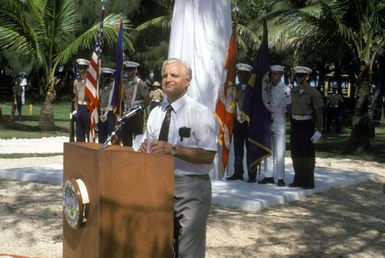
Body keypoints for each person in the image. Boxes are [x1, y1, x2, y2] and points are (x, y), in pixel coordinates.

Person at [139, 58, 217, 258]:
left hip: (191, 188)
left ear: (188, 81)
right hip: (158, 186)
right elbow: (152, 147)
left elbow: (208, 155)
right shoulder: (156, 113)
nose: (168, 79)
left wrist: (173, 149)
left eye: (174, 75)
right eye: (165, 75)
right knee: (160, 246)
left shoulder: (200, 113)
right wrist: (145, 150)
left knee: (188, 251)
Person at [289, 66, 324, 189]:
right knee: (295, 152)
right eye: (297, 76)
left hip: (306, 125)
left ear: (307, 77)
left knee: (307, 153)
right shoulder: (293, 91)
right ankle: (298, 178)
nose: (298, 78)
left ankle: (308, 181)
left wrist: (319, 130)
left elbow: (319, 112)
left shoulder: (313, 92)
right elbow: (290, 107)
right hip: (295, 123)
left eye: (301, 76)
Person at [258, 65, 291, 187]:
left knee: (280, 150)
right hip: (268, 119)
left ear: (281, 75)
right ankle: (268, 175)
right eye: (272, 73)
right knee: (268, 149)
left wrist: (285, 119)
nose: (273, 76)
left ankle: (280, 177)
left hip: (279, 118)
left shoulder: (286, 89)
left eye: (276, 73)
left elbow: (289, 106)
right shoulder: (268, 88)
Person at [226, 63, 253, 182]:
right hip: (237, 122)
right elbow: (230, 105)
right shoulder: (234, 88)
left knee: (250, 149)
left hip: (249, 123)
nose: (240, 76)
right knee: (238, 148)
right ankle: (238, 172)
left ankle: (252, 174)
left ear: (248, 75)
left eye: (243, 74)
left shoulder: (253, 89)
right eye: (239, 73)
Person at [120, 60, 149, 146]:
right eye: (127, 70)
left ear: (135, 70)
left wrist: (141, 108)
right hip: (127, 112)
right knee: (126, 136)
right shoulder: (125, 84)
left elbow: (147, 99)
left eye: (130, 70)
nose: (128, 72)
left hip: (136, 113)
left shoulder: (140, 83)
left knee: (138, 136)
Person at [72, 58, 90, 142]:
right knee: (79, 133)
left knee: (89, 132)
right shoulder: (76, 82)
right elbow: (75, 97)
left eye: (82, 68)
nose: (80, 71)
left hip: (88, 108)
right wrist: (76, 110)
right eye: (79, 68)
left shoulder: (91, 82)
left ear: (87, 69)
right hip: (79, 107)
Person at [98, 67, 116, 144]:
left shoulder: (114, 86)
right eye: (103, 75)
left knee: (112, 135)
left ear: (110, 76)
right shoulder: (101, 86)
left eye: (106, 76)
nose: (104, 78)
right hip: (101, 113)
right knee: (101, 136)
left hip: (110, 113)